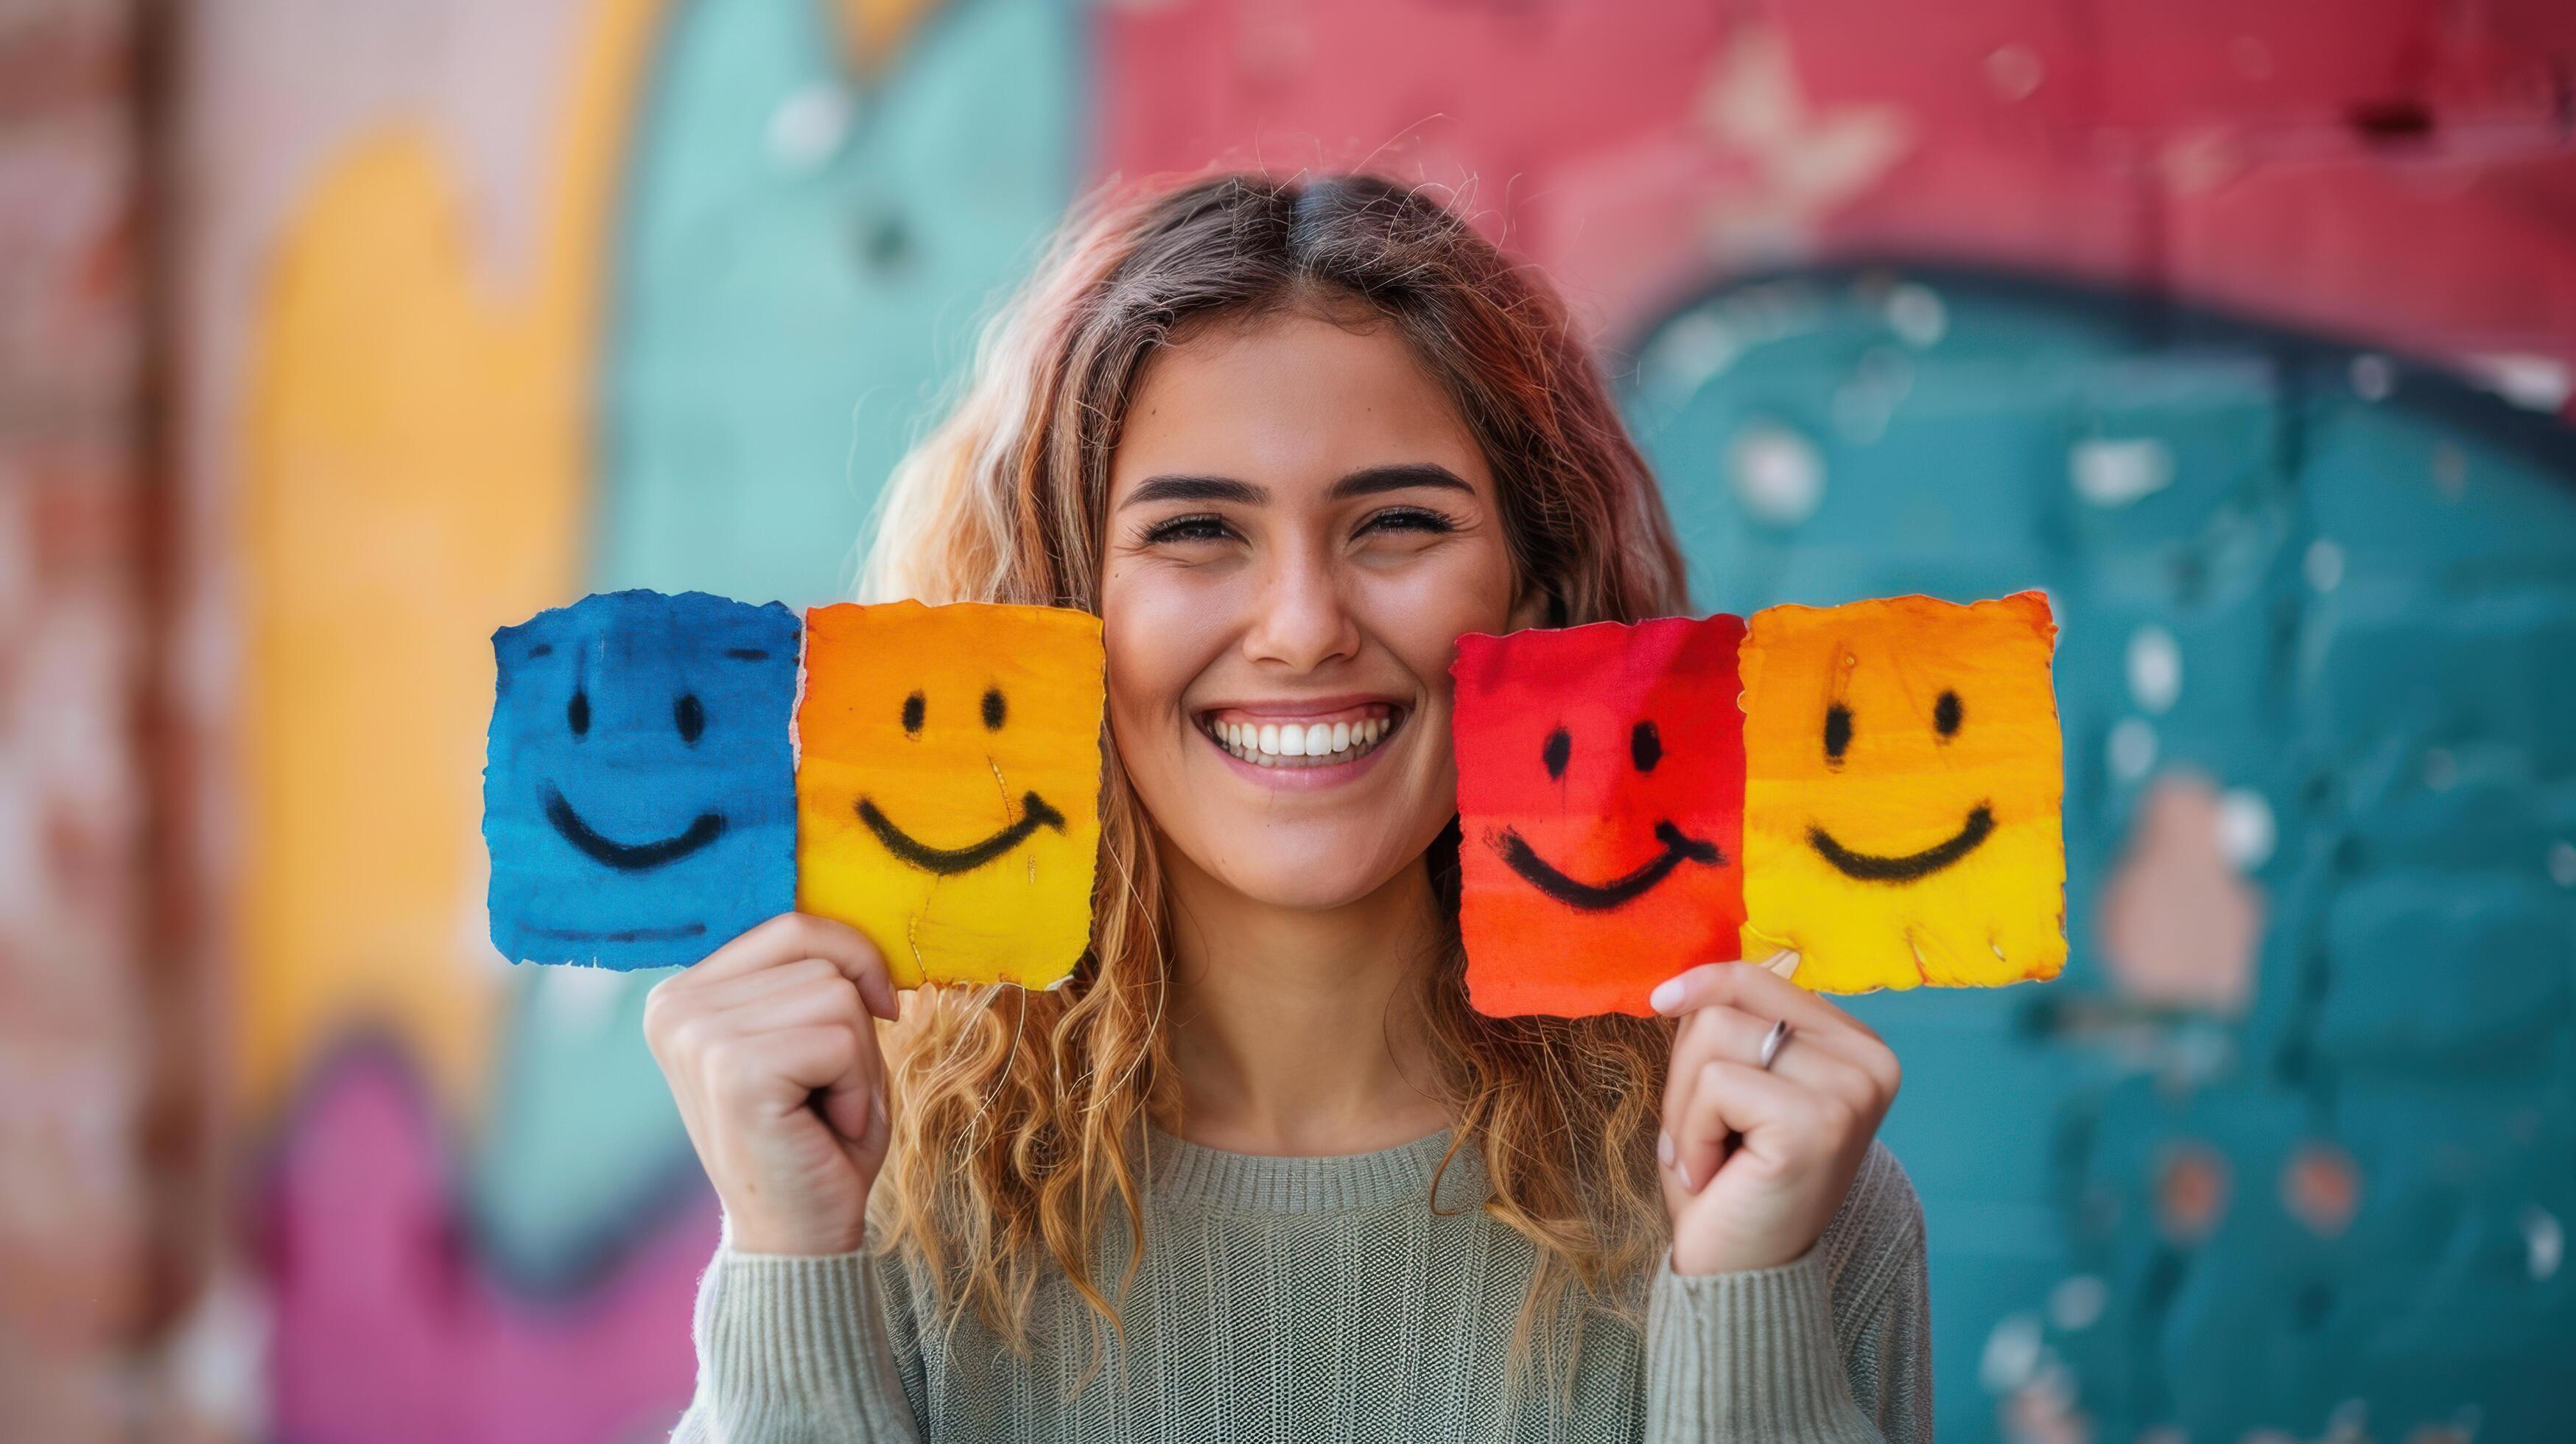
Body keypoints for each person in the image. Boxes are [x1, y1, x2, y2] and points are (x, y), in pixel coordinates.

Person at [652, 172, 1929, 1443]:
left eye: (1397, 524)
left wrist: (1746, 1301)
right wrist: (790, 1259)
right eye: (1199, 531)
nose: (1305, 628)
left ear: (1537, 607)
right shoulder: (869, 1194)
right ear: (1056, 627)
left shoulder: (1774, 1180)